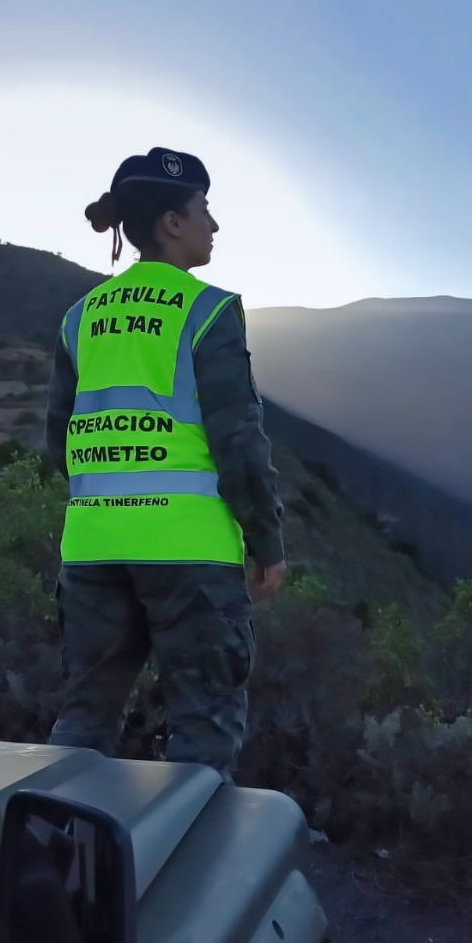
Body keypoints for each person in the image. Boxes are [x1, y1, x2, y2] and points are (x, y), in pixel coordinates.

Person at [44, 146, 287, 779]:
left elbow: (57, 437)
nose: (214, 224)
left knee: (83, 718)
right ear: (173, 223)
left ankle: (45, 855)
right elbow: (239, 439)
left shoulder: (80, 317)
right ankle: (187, 867)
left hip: (93, 546)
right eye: (204, 209)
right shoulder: (208, 309)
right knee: (203, 729)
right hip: (190, 552)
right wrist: (267, 541)